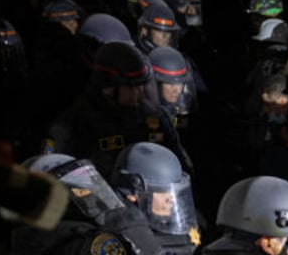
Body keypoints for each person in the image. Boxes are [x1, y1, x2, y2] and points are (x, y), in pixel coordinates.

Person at [43, 41, 192, 179]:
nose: (138, 94)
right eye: (130, 87)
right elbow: (53, 174)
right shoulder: (71, 126)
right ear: (108, 89)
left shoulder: (155, 117)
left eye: (140, 86)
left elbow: (181, 166)